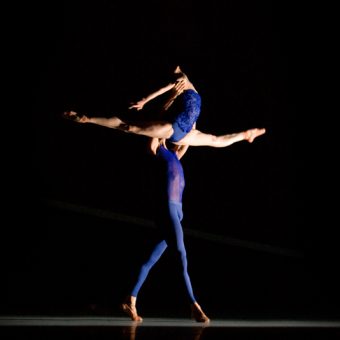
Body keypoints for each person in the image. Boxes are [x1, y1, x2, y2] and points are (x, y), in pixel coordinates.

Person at [63, 66, 266, 150]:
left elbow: (165, 88)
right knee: (215, 140)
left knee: (129, 127)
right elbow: (187, 109)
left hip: (183, 127)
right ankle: (246, 134)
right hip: (184, 128)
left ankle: (87, 118)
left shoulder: (181, 79)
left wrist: (144, 100)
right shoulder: (188, 88)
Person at [120, 138, 210, 323]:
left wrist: (192, 120)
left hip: (177, 211)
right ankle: (194, 305)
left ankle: (131, 299)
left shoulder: (175, 155)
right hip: (167, 209)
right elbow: (153, 135)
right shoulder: (157, 152)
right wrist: (160, 118)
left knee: (149, 261)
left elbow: (188, 140)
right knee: (181, 254)